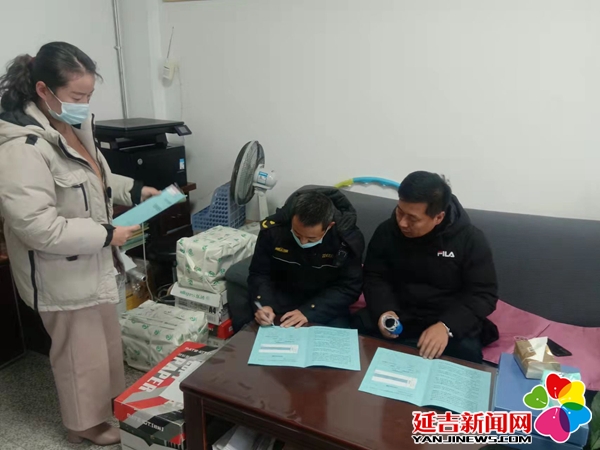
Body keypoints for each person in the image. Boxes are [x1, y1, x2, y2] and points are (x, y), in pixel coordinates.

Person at [0, 42, 160, 445]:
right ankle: (81, 427)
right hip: (60, 270)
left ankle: (105, 411)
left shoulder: (70, 127)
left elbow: (95, 178)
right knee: (78, 355)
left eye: (88, 95)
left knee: (104, 346)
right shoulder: (21, 148)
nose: (83, 105)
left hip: (92, 260)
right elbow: (36, 227)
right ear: (43, 90)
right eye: (76, 96)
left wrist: (136, 191)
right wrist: (107, 235)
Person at [363, 171, 498, 363]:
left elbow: (483, 294)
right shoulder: (386, 231)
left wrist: (446, 326)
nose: (402, 223)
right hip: (400, 313)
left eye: (412, 218)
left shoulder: (470, 240)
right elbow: (375, 276)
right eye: (400, 211)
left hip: (445, 319)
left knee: (467, 355)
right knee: (358, 336)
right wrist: (384, 310)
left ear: (439, 217)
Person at [243, 188, 364, 329]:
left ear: (329, 226)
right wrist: (265, 304)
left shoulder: (346, 240)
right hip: (280, 300)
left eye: (311, 239)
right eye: (297, 234)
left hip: (326, 305)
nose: (303, 242)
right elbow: (259, 273)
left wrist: (309, 311)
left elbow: (349, 287)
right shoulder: (273, 231)